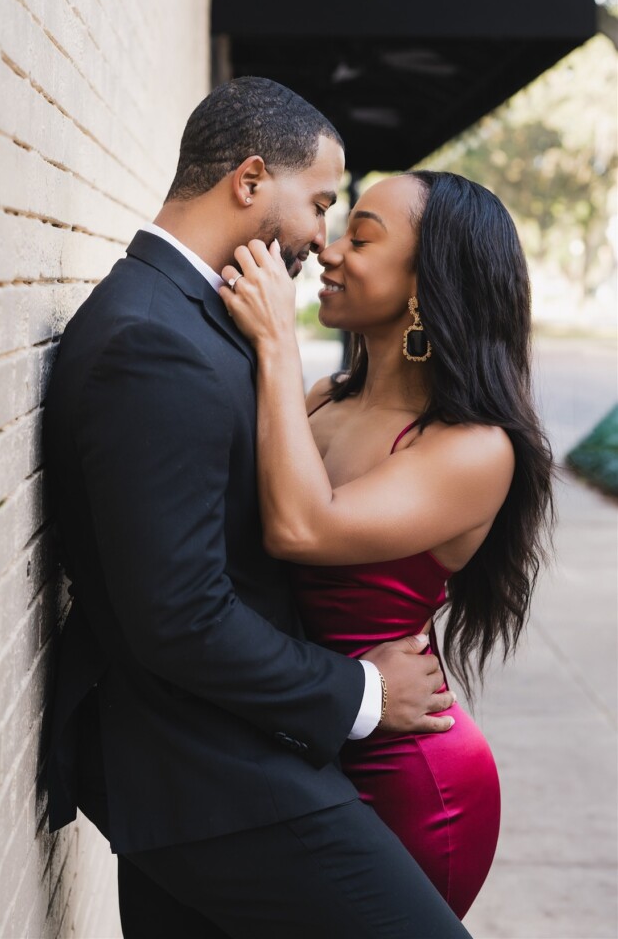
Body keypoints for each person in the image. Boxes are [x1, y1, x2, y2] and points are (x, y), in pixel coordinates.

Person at [43, 77, 472, 938]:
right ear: (247, 182)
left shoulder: (190, 319)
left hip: (212, 762)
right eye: (317, 203)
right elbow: (181, 616)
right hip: (208, 776)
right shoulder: (154, 342)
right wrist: (360, 691)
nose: (320, 236)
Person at [219, 170, 555, 920]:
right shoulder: (323, 400)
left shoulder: (471, 448)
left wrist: (275, 340)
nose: (330, 252)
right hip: (306, 738)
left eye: (362, 238)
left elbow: (299, 528)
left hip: (409, 778)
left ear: (423, 284)